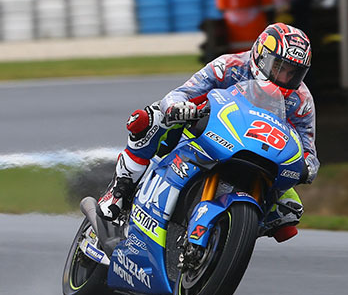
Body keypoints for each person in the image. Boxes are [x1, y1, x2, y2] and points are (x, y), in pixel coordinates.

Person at [97, 23, 320, 242]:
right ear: (261, 56)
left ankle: (230, 232)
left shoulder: (301, 101)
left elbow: (308, 150)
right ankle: (120, 190)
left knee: (289, 212)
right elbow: (181, 93)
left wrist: (306, 167)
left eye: (294, 73)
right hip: (207, 131)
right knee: (150, 117)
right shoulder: (229, 66)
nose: (286, 78)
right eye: (279, 67)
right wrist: (178, 107)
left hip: (260, 153)